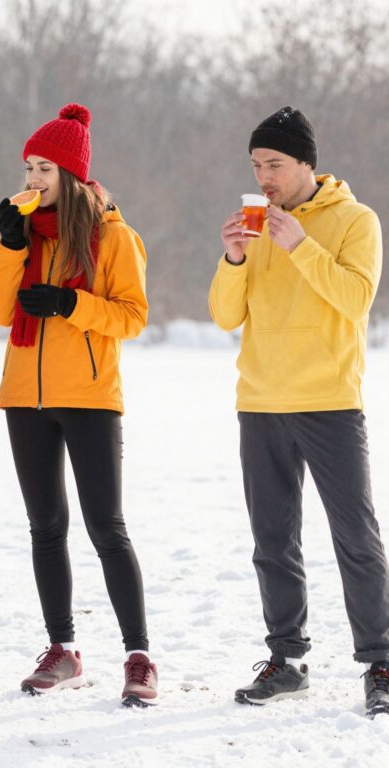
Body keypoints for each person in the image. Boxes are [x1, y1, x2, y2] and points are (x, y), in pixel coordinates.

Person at [209, 106, 389, 715]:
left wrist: (302, 246)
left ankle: (381, 661)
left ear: (306, 163)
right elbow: (225, 316)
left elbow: (356, 299)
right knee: (272, 541)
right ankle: (286, 660)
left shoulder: (355, 221)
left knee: (356, 540)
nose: (264, 176)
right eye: (257, 164)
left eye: (275, 164)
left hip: (330, 403)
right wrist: (233, 258)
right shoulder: (255, 224)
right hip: (260, 402)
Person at [0, 103, 158, 707]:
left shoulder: (113, 236)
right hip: (23, 399)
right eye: (28, 168)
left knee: (106, 526)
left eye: (44, 170)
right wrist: (9, 245)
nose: (32, 180)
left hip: (88, 396)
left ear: (72, 176)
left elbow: (133, 317)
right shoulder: (26, 232)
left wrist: (70, 305)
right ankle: (63, 650)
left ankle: (138, 656)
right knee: (45, 527)